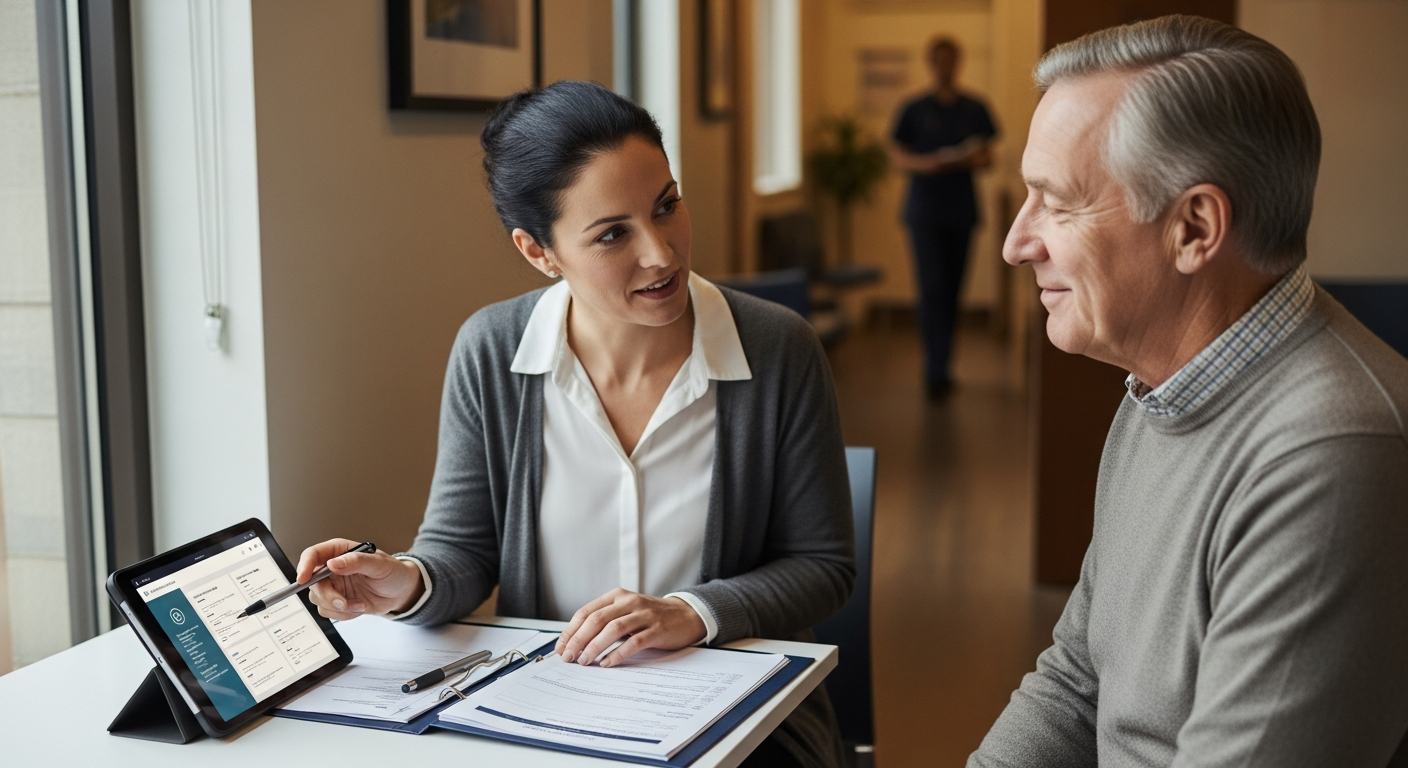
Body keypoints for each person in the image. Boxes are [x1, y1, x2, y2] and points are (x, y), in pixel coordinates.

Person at [295, 80, 855, 768]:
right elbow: (464, 551)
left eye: (667, 206)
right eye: (613, 233)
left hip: (743, 733)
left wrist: (692, 612)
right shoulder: (493, 350)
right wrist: (406, 581)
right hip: (549, 719)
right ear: (538, 251)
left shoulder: (778, 347)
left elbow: (823, 568)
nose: (662, 252)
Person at [970, 15, 1408, 767]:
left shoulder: (1332, 458)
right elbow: (1078, 679)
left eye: (1058, 201)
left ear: (1195, 228)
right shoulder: (1160, 388)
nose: (1017, 241)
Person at [889, 37, 998, 399]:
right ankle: (933, 369)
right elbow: (898, 156)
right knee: (931, 289)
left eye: (951, 60)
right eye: (939, 61)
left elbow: (989, 156)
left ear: (958, 63)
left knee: (953, 292)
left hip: (961, 211)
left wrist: (967, 160)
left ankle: (945, 365)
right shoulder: (915, 108)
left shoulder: (973, 108)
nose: (945, 67)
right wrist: (927, 165)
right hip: (925, 212)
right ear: (931, 64)